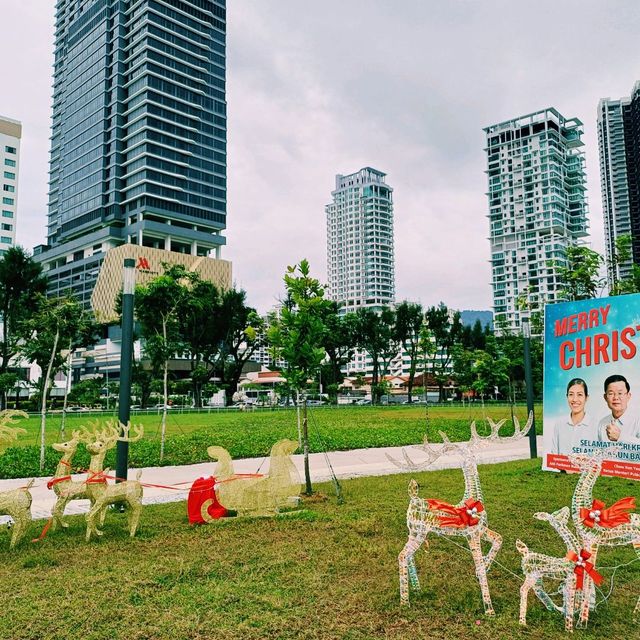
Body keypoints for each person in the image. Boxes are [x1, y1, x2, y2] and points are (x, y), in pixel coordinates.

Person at [550, 378, 593, 455]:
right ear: (567, 397)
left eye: (579, 394)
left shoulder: (596, 426)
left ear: (586, 398)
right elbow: (554, 454)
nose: (574, 399)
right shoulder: (559, 424)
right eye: (571, 394)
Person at [597, 374, 640, 444]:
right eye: (611, 393)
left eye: (620, 393)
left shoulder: (638, 421)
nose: (616, 397)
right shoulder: (602, 423)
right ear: (605, 397)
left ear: (628, 396)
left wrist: (620, 437)